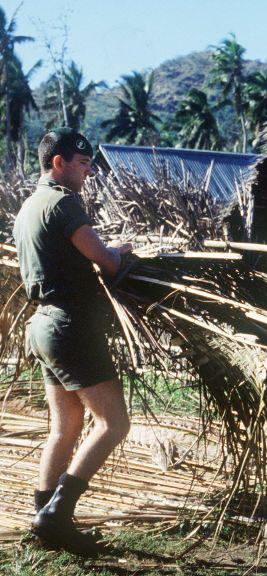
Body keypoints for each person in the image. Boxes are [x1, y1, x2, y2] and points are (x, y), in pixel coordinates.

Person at [13, 128, 133, 552]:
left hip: (42, 326)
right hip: (71, 327)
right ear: (58, 163)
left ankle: (45, 517)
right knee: (114, 423)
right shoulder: (63, 204)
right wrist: (122, 251)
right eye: (82, 165)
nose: (88, 173)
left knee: (65, 426)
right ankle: (56, 515)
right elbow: (104, 258)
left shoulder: (28, 208)